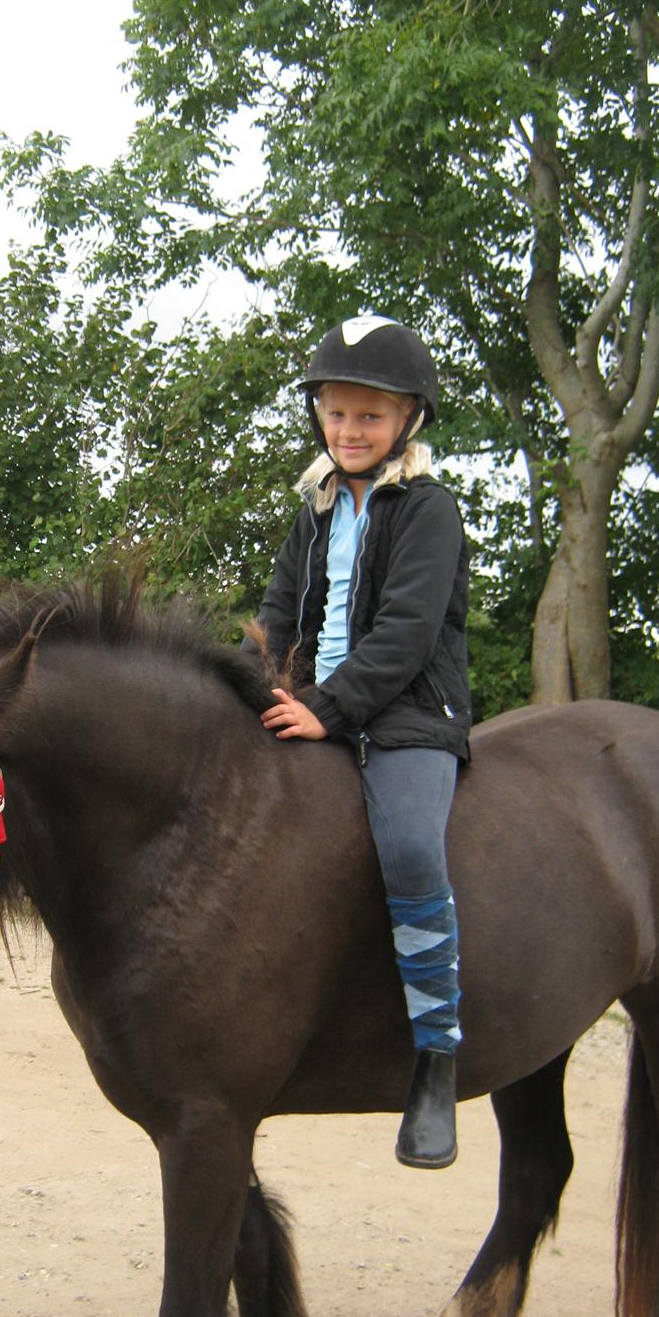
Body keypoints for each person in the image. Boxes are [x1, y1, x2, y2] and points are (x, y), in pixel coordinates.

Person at [251, 315, 471, 1169]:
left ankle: (436, 1058)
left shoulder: (429, 510)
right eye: (337, 414)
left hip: (407, 716)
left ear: (407, 421)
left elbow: (407, 634)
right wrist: (260, 680)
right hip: (314, 701)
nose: (349, 431)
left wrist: (329, 711)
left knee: (413, 848)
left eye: (369, 418)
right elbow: (277, 610)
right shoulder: (312, 509)